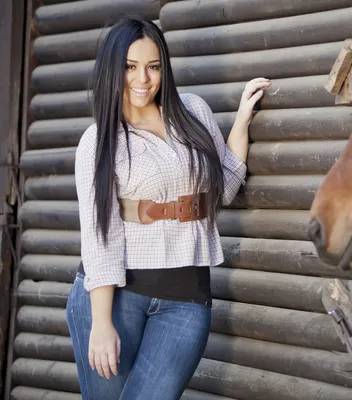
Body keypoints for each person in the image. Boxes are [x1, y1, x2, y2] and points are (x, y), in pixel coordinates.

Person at [65, 16, 269, 400]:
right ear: (113, 69)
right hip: (117, 298)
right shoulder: (98, 141)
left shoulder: (192, 111)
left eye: (153, 66)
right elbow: (98, 234)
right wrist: (102, 322)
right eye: (130, 66)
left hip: (186, 299)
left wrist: (242, 120)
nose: (143, 79)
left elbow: (222, 189)